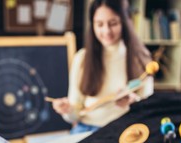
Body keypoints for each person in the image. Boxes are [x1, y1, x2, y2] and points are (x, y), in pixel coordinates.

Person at [52, 0, 154, 134]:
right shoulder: (82, 58)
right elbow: (75, 115)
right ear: (92, 25)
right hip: (87, 130)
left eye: (113, 23)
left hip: (125, 130)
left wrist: (135, 102)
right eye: (99, 24)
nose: (106, 31)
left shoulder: (140, 58)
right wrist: (67, 110)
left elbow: (149, 111)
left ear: (125, 21)